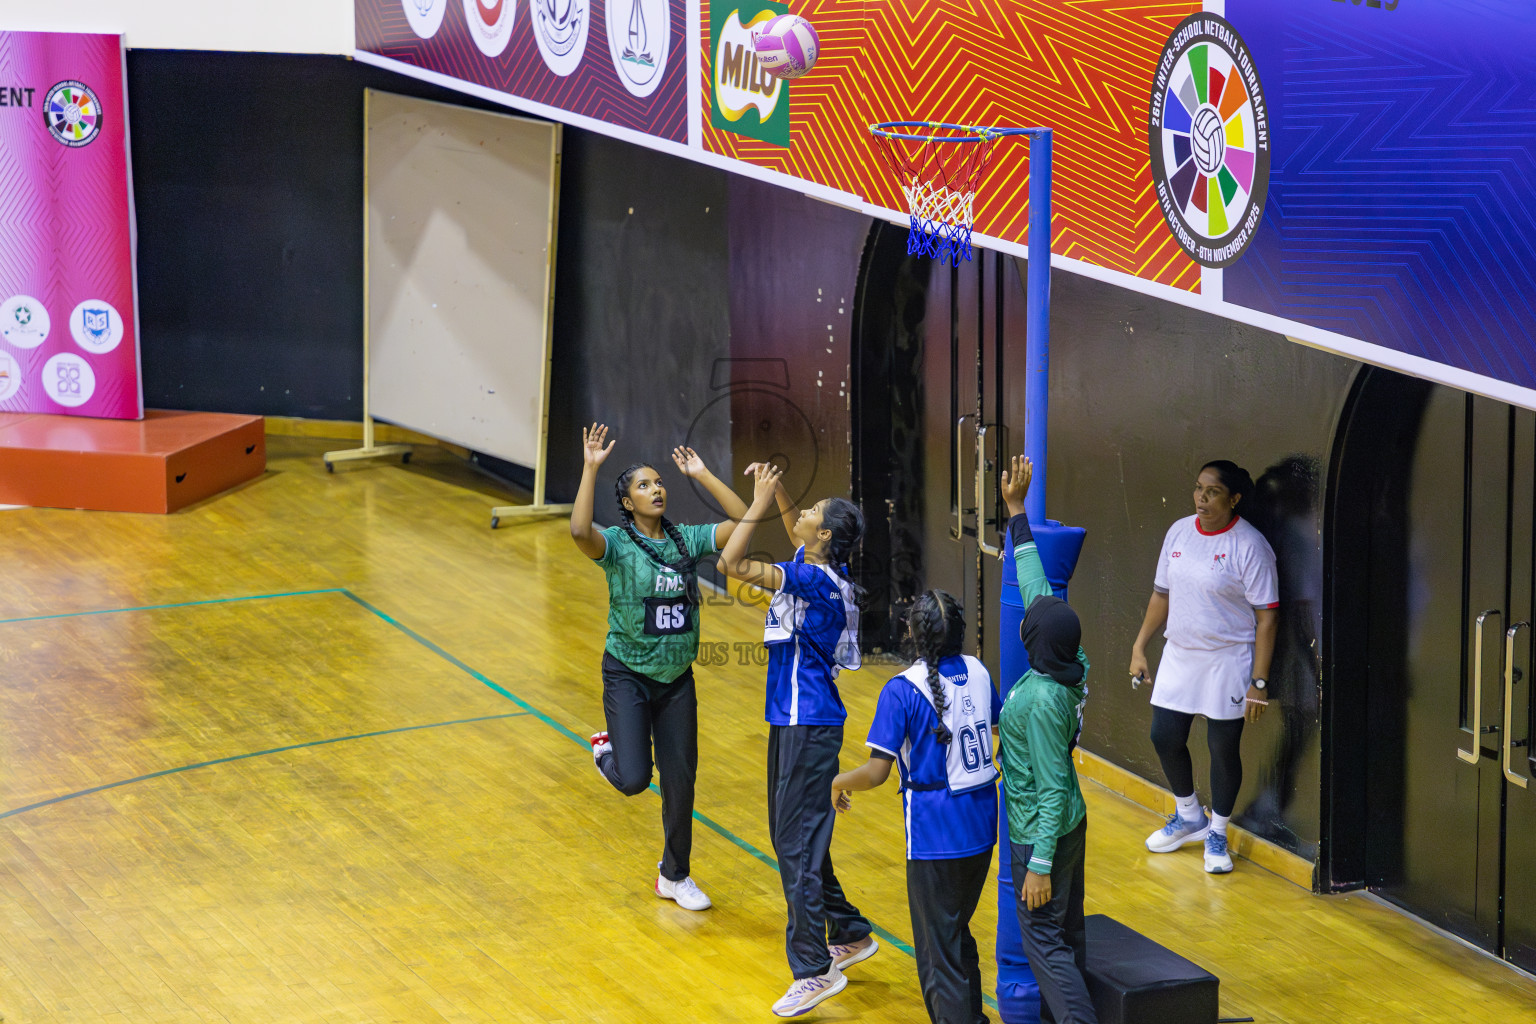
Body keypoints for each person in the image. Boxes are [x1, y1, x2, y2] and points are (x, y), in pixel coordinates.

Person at [568, 423, 749, 912]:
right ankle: (607, 749)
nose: (656, 489)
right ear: (628, 503)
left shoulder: (687, 538)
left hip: (676, 681)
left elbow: (744, 518)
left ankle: (675, 875)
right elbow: (580, 532)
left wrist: (703, 474)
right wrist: (590, 468)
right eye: (644, 485)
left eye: (659, 482)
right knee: (633, 780)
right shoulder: (617, 546)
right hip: (627, 674)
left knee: (680, 781)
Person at [717, 462, 876, 1017]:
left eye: (811, 512)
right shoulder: (819, 566)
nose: (800, 514)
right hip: (795, 720)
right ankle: (849, 931)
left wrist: (759, 501)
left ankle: (814, 969)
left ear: (824, 535)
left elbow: (730, 564)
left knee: (794, 845)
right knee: (798, 838)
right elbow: (796, 532)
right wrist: (782, 489)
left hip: (808, 724)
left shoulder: (812, 580)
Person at [832, 588, 1001, 1024]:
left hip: (934, 837)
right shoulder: (979, 671)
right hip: (983, 828)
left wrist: (837, 780)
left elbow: (876, 773)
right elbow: (994, 728)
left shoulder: (901, 690)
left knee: (937, 954)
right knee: (956, 932)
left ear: (913, 632)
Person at [1128, 459, 1279, 874]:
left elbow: (1267, 618)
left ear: (1234, 499)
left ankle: (1218, 833)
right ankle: (1189, 815)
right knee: (1164, 735)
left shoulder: (1250, 546)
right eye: (1198, 489)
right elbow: (1161, 595)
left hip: (1227, 659)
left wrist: (1259, 682)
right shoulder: (1178, 532)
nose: (1202, 498)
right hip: (1180, 653)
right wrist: (1140, 646)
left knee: (1222, 749)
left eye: (1213, 492)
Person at [995, 455, 1098, 1024]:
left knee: (1045, 944)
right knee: (1069, 935)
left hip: (1043, 829)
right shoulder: (1070, 658)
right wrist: (1016, 510)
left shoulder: (1038, 701)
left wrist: (1037, 864)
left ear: (1031, 642)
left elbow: (1053, 789)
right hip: (1071, 826)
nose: (1028, 614)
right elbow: (1037, 585)